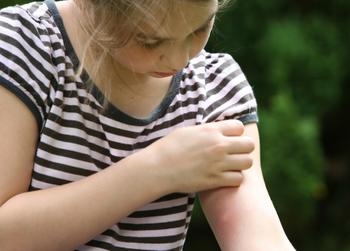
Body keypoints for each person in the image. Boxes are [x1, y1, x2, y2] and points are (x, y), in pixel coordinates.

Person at [0, 0, 295, 250]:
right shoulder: (24, 48)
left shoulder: (214, 88)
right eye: (150, 41)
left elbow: (258, 238)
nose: (180, 60)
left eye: (200, 28)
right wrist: (158, 169)